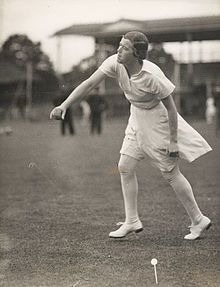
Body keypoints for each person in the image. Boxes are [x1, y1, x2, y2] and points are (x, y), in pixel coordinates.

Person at [50, 31, 212, 240]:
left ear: (136, 54)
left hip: (158, 121)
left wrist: (173, 141)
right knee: (125, 166)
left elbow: (172, 110)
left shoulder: (152, 75)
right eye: (119, 45)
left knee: (170, 172)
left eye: (124, 48)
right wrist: (64, 106)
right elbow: (90, 83)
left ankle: (198, 220)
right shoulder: (114, 62)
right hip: (136, 115)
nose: (118, 51)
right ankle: (132, 220)